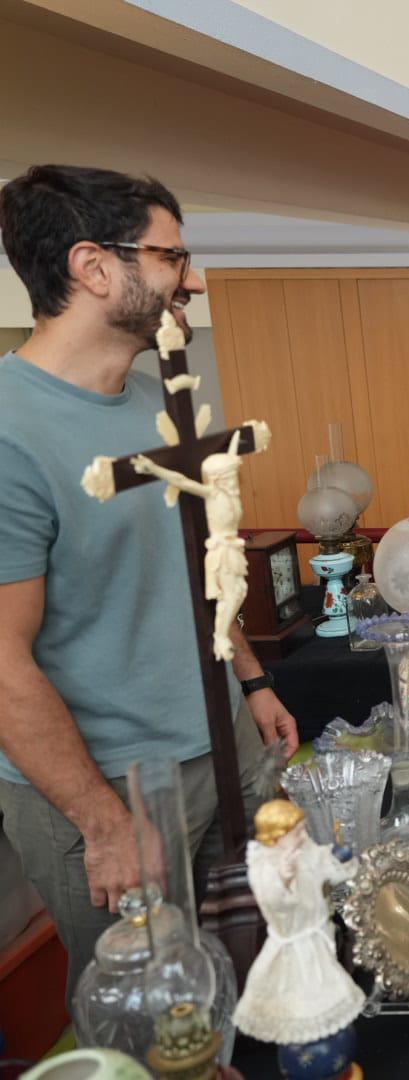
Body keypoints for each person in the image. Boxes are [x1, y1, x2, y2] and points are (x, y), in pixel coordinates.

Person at [0, 164, 297, 993]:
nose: (193, 280)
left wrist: (252, 678)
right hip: (116, 787)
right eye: (172, 257)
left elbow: (198, 557)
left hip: (219, 740)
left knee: (250, 970)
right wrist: (102, 821)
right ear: (93, 268)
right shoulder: (9, 434)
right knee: (151, 1008)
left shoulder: (154, 399)